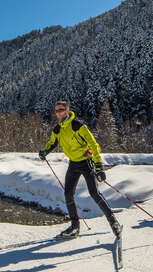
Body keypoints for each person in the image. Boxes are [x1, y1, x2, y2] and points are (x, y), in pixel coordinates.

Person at [39, 101, 121, 238]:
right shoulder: (58, 129)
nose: (58, 113)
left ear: (67, 110)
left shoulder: (78, 126)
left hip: (86, 162)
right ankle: (75, 227)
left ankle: (113, 222)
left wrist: (99, 167)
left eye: (61, 110)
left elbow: (94, 145)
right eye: (56, 110)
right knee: (68, 194)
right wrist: (45, 152)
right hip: (73, 164)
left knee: (94, 193)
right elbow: (52, 142)